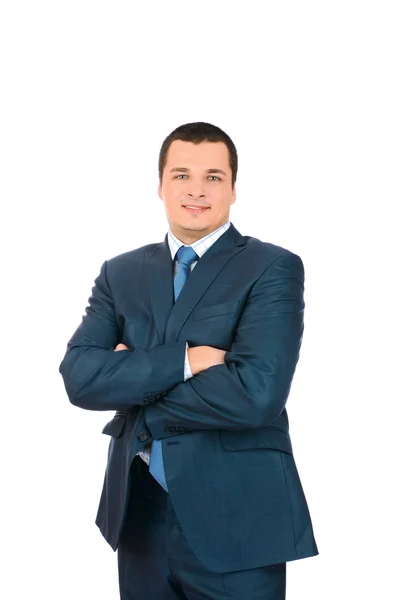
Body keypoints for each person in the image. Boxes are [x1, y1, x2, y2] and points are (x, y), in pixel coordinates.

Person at [59, 121, 318, 600]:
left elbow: (255, 396)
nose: (196, 190)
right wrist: (190, 360)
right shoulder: (120, 272)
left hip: (238, 517)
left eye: (213, 177)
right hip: (139, 516)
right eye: (181, 175)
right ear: (160, 185)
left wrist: (132, 382)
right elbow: (80, 379)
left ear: (233, 190)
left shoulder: (272, 267)